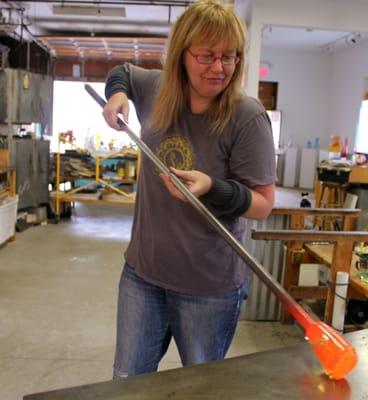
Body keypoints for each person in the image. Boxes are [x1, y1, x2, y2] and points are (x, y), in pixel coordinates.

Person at [103, 0, 276, 378]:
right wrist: (116, 95)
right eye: (207, 56)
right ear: (182, 54)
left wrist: (212, 188)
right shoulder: (157, 88)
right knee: (127, 382)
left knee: (201, 387)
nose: (219, 68)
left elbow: (263, 203)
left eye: (229, 57)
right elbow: (123, 73)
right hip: (142, 275)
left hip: (208, 288)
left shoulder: (247, 118)